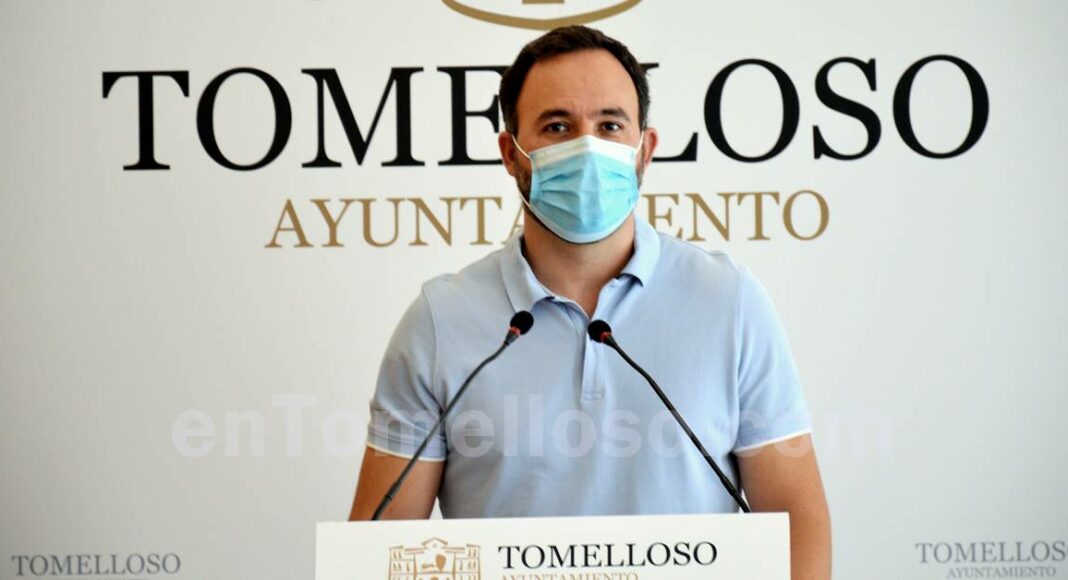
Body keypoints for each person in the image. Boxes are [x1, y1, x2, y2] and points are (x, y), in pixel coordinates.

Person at [349, 25, 831, 579]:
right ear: (510, 153)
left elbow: (796, 523)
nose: (586, 147)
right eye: (557, 126)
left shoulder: (731, 303)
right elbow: (378, 549)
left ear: (644, 150)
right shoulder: (439, 321)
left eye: (609, 126)